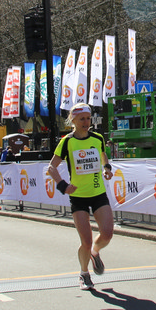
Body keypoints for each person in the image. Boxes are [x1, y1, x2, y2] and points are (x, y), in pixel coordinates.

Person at [48, 103, 115, 291]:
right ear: (73, 120)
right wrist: (63, 186)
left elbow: (103, 156)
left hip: (98, 192)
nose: (86, 122)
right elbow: (51, 167)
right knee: (85, 241)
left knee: (107, 234)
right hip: (78, 196)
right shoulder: (67, 142)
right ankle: (84, 274)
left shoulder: (97, 138)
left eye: (88, 118)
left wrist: (106, 169)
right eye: (82, 119)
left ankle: (95, 251)